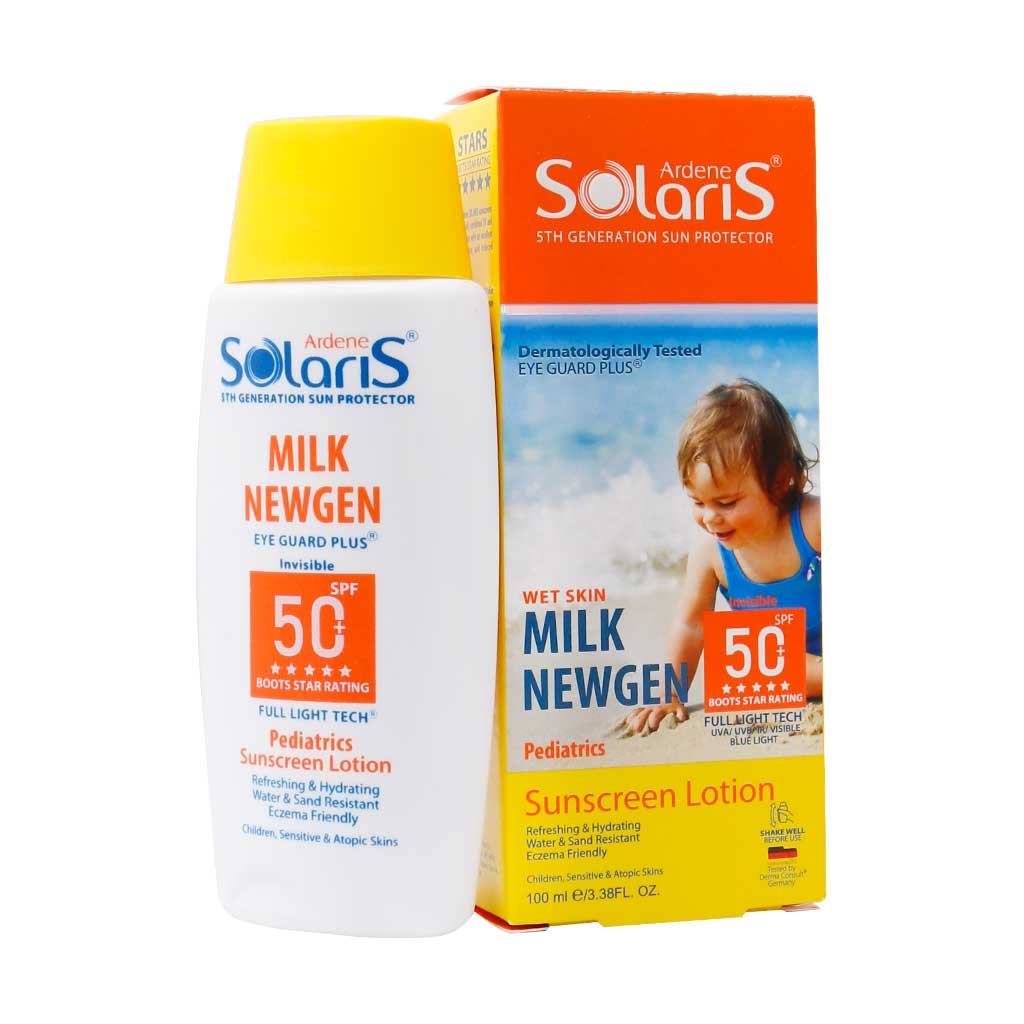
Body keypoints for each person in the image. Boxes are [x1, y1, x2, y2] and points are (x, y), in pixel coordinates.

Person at [626, 379, 822, 736]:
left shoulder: (813, 524)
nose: (710, 518)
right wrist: (670, 693)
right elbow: (691, 625)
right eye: (698, 502)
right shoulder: (710, 555)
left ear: (781, 482)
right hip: (772, 666)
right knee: (732, 658)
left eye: (727, 503)